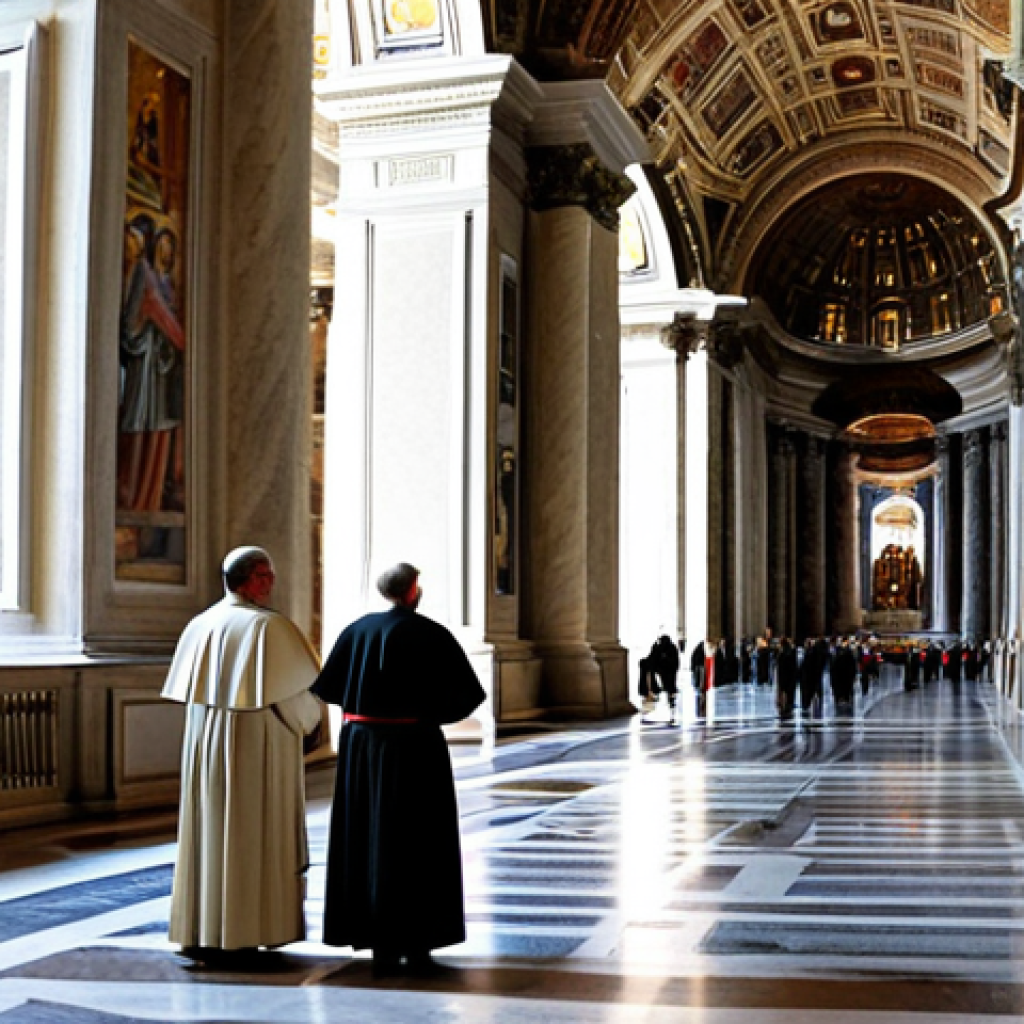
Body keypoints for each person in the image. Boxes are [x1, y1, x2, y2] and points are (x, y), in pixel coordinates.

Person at [313, 563, 486, 972]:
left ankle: (373, 937)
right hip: (414, 748)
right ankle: (418, 938)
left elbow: (330, 688)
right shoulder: (430, 633)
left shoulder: (356, 630)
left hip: (361, 748)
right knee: (417, 840)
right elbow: (466, 697)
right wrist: (425, 714)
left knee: (367, 835)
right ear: (412, 590)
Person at [162, 547, 323, 960]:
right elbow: (298, 703)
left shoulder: (201, 625)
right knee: (250, 833)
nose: (271, 583)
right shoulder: (268, 629)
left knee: (211, 833)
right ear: (246, 580)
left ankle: (203, 930)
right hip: (257, 748)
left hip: (207, 749)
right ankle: (245, 930)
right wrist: (312, 725)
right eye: (264, 575)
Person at [653, 635, 680, 710]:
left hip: (669, 670)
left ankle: (671, 700)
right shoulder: (665, 647)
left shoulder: (669, 647)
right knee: (668, 686)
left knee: (670, 686)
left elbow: (675, 659)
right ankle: (671, 699)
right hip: (666, 670)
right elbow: (656, 658)